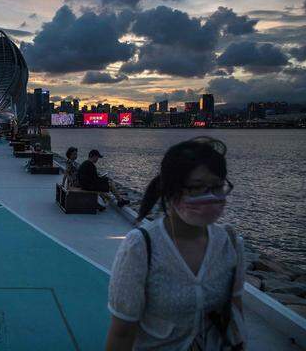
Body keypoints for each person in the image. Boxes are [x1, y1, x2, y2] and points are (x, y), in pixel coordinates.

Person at [105, 137, 245, 351]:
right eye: (196, 188)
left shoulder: (231, 244)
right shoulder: (142, 247)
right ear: (171, 191)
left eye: (217, 187)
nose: (210, 197)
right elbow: (122, 332)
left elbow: (235, 313)